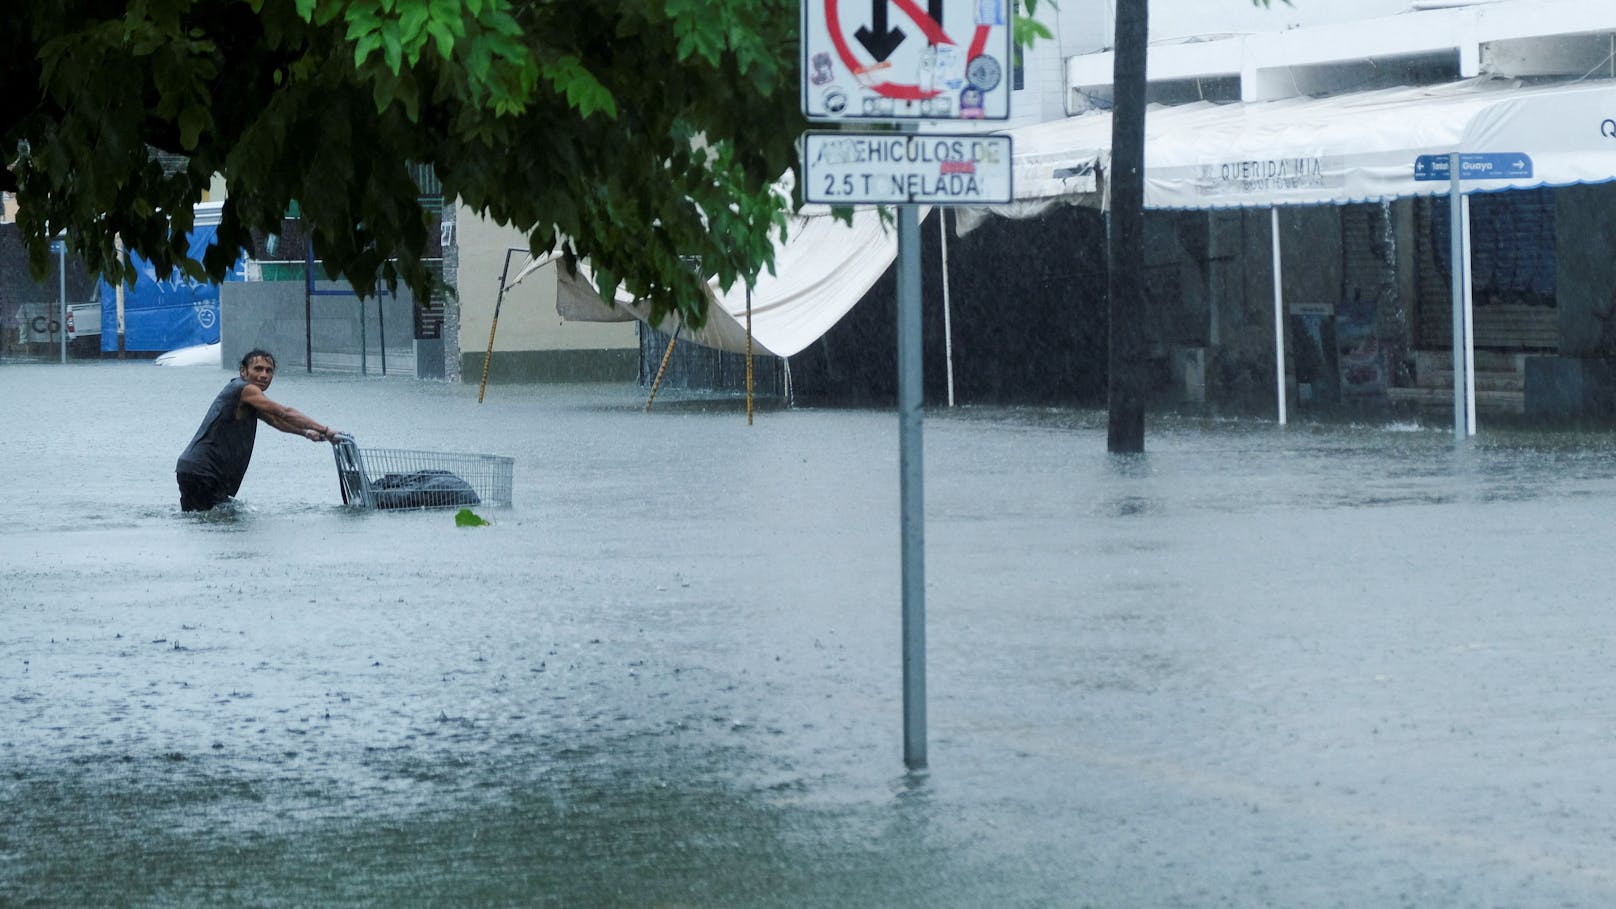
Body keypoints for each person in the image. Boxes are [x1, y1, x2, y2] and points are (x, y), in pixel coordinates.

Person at [175, 349, 340, 512]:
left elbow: (275, 420)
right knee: (213, 522)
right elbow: (284, 412)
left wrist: (306, 433)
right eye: (258, 369)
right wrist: (324, 429)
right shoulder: (246, 389)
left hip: (198, 470)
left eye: (269, 371)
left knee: (205, 520)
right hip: (204, 471)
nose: (264, 375)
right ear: (243, 371)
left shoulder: (247, 398)